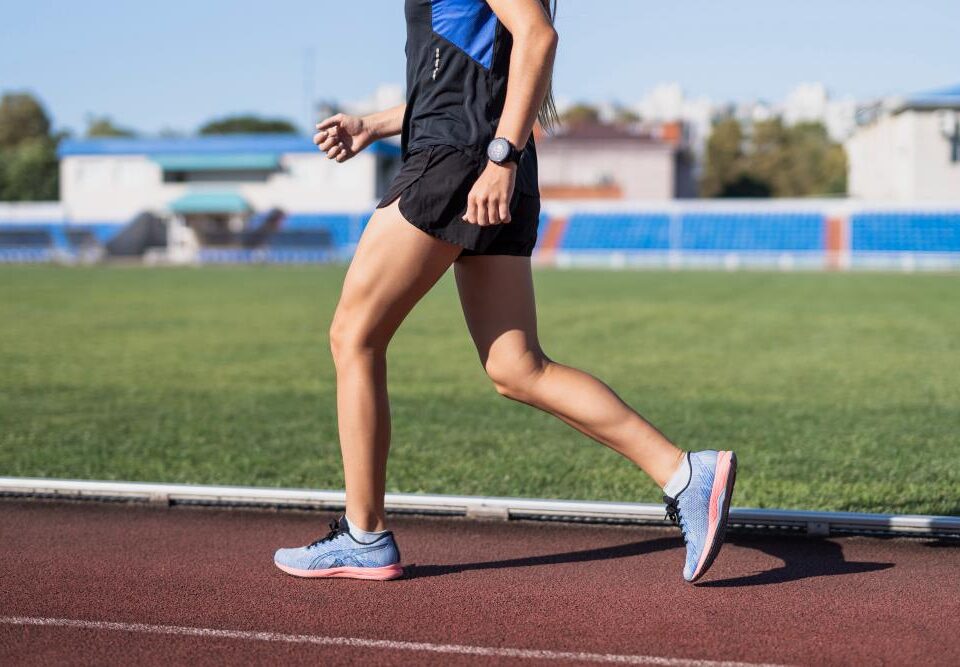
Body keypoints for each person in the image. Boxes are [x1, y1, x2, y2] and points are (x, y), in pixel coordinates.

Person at [273, 0, 737, 584]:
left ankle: (363, 535)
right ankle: (683, 474)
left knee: (354, 336)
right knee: (518, 369)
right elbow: (465, 74)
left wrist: (502, 155)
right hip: (480, 160)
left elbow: (537, 36)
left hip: (461, 162)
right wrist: (375, 124)